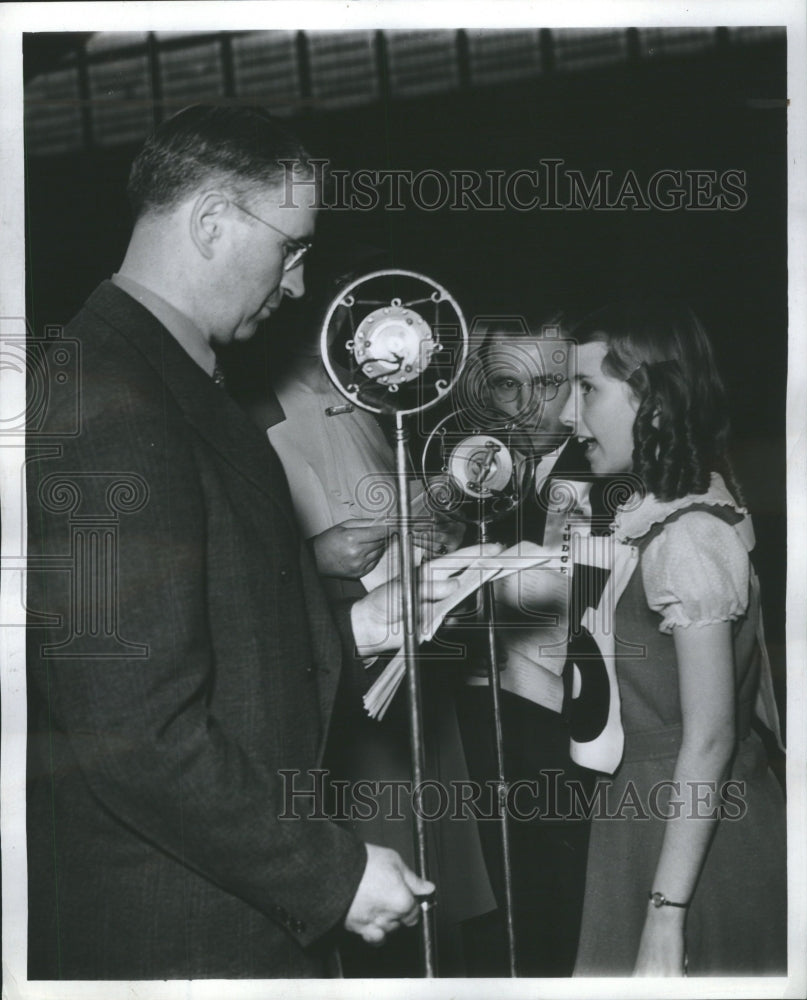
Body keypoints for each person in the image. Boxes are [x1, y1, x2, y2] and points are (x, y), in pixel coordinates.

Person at [25, 104, 491, 980]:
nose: (301, 283)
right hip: (176, 926)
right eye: (292, 248)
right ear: (208, 221)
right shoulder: (106, 403)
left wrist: (357, 624)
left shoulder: (163, 378)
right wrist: (334, 874)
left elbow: (204, 634)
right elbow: (136, 731)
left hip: (212, 905)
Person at [245, 276, 494, 975]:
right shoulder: (251, 409)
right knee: (373, 857)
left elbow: (399, 498)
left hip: (404, 647)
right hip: (337, 658)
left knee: (430, 861)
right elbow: (246, 561)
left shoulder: (369, 404)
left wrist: (433, 522)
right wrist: (317, 556)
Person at [559, 298, 786, 976]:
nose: (570, 417)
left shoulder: (687, 537)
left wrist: (664, 913)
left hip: (690, 839)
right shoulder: (666, 512)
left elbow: (711, 736)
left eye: (586, 389)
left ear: (651, 403)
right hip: (645, 814)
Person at [451, 314, 603, 976]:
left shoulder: (604, 461)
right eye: (506, 386)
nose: (526, 407)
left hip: (572, 727)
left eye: (545, 384)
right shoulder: (487, 461)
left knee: (564, 916)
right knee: (504, 907)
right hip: (490, 720)